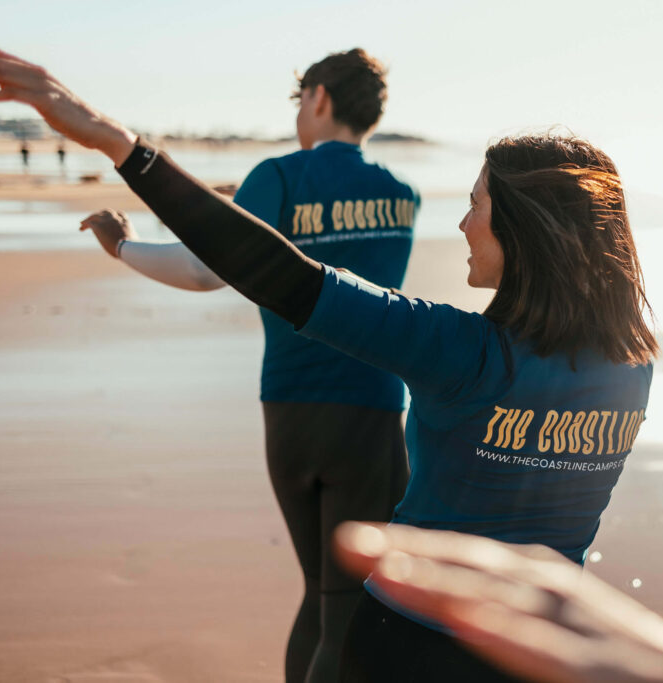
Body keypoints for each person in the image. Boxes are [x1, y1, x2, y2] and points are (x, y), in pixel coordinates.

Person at [0, 50, 657, 682]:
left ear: (523, 230)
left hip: (405, 646)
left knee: (322, 596)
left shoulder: (452, 350)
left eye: (476, 205)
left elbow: (273, 268)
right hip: (543, 656)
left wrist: (116, 142)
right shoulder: (635, 367)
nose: (464, 224)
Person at [78, 48, 418, 683]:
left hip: (287, 416)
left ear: (318, 98)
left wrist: (123, 247)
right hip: (368, 415)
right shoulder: (403, 196)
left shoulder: (278, 178)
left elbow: (204, 269)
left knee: (319, 592)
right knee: (347, 606)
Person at [333, 522, 663, 683]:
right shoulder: (630, 360)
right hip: (540, 616)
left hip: (449, 619)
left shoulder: (461, 340)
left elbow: (320, 297)